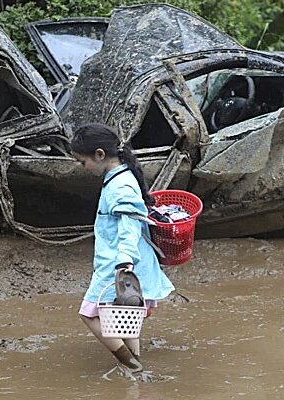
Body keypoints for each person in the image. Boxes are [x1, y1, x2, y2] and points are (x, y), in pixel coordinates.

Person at [71, 123, 175, 373]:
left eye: (82, 162)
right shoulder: (121, 176)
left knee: (88, 313)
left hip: (118, 261)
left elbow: (129, 225)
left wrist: (125, 260)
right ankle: (137, 363)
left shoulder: (120, 186)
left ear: (99, 155)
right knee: (125, 316)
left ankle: (131, 364)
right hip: (128, 258)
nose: (82, 168)